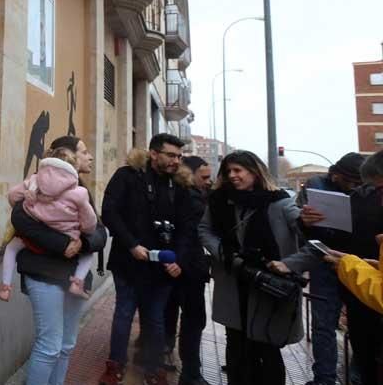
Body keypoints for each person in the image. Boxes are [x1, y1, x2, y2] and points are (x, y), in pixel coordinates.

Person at [198, 150, 321, 385]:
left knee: (266, 350)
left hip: (268, 288)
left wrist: (288, 264)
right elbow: (205, 230)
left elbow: (315, 244)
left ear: (255, 172)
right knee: (235, 347)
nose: (232, 176)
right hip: (234, 283)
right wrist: (225, 255)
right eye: (228, 171)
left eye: (238, 170)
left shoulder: (281, 203)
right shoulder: (220, 201)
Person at [10, 135, 109, 385]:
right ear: (69, 156)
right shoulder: (35, 185)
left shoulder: (80, 189)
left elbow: (98, 229)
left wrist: (83, 244)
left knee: (66, 345)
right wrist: (64, 244)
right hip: (44, 273)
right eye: (84, 152)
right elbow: (20, 220)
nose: (90, 156)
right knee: (50, 346)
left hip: (74, 275)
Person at [98, 134, 194, 385]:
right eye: (171, 155)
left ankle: (154, 368)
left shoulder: (181, 186)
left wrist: (179, 261)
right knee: (124, 313)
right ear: (154, 153)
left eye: (179, 156)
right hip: (128, 262)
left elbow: (187, 228)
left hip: (162, 265)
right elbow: (109, 211)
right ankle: (115, 365)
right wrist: (131, 244)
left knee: (155, 317)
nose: (176, 161)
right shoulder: (127, 176)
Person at [0, 146, 97, 301]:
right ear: (74, 168)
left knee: (12, 247)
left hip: (35, 236)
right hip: (68, 235)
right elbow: (90, 222)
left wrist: (24, 200)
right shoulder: (79, 193)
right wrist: (86, 231)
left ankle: (5, 287)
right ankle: (77, 282)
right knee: (88, 253)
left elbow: (13, 195)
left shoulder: (35, 181)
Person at [297, 152, 365, 385]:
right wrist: (304, 221)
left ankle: (357, 376)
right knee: (323, 325)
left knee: (361, 325)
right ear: (336, 175)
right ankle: (324, 378)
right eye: (349, 183)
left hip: (358, 262)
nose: (353, 187)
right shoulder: (316, 187)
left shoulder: (366, 192)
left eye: (358, 184)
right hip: (326, 263)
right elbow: (301, 227)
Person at [162, 156, 213, 385]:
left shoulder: (173, 192)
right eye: (204, 177)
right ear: (190, 174)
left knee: (171, 313)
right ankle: (191, 372)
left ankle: (168, 355)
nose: (208, 182)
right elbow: (190, 235)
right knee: (193, 320)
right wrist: (179, 262)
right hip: (187, 268)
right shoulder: (191, 198)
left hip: (176, 265)